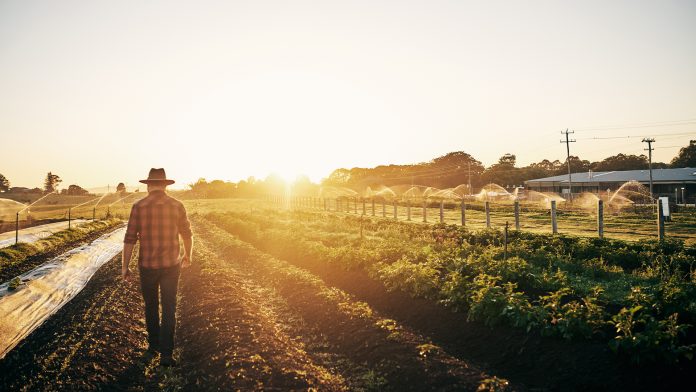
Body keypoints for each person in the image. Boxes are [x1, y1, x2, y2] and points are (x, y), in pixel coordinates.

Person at [121, 168, 193, 367]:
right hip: (171, 265)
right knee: (169, 307)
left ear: (148, 185)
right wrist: (188, 255)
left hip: (147, 265)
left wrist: (124, 267)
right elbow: (187, 234)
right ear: (165, 185)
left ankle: (153, 347)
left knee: (151, 306)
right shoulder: (177, 206)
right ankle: (167, 355)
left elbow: (129, 240)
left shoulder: (138, 206)